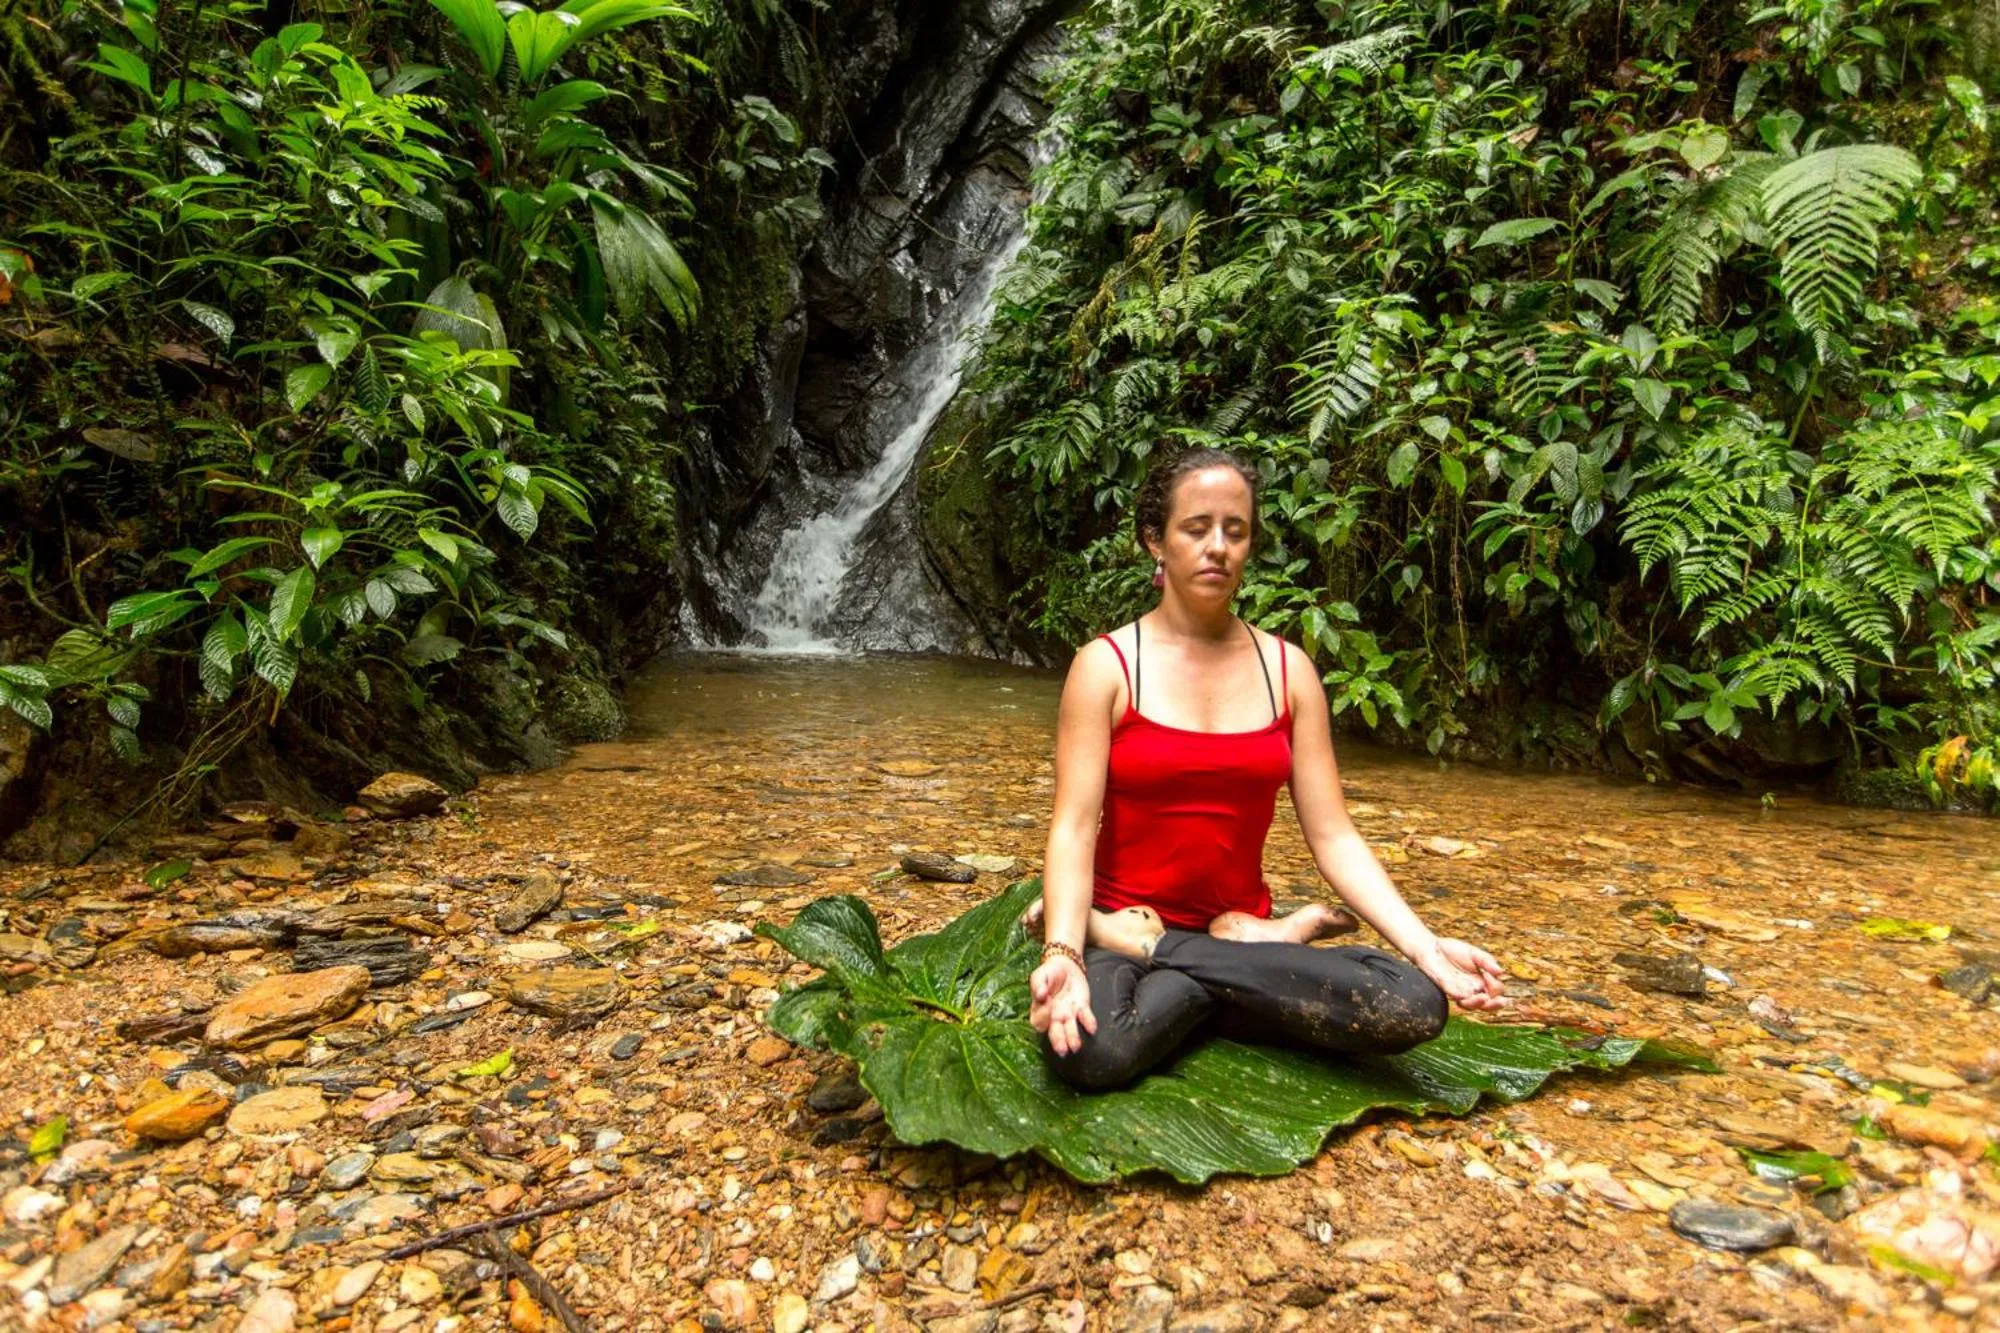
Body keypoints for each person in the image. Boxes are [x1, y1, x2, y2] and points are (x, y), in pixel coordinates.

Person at [1025, 447, 1506, 1090]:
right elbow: (1074, 827)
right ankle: (1219, 966)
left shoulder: (1288, 671)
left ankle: (1172, 956)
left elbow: (1333, 836)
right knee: (1091, 1051)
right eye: (1196, 528)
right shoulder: (1106, 667)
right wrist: (1065, 948)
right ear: (1155, 541)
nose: (1217, 547)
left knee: (1412, 1003)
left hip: (1210, 932)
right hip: (1126, 915)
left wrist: (1425, 945)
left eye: (1236, 530)